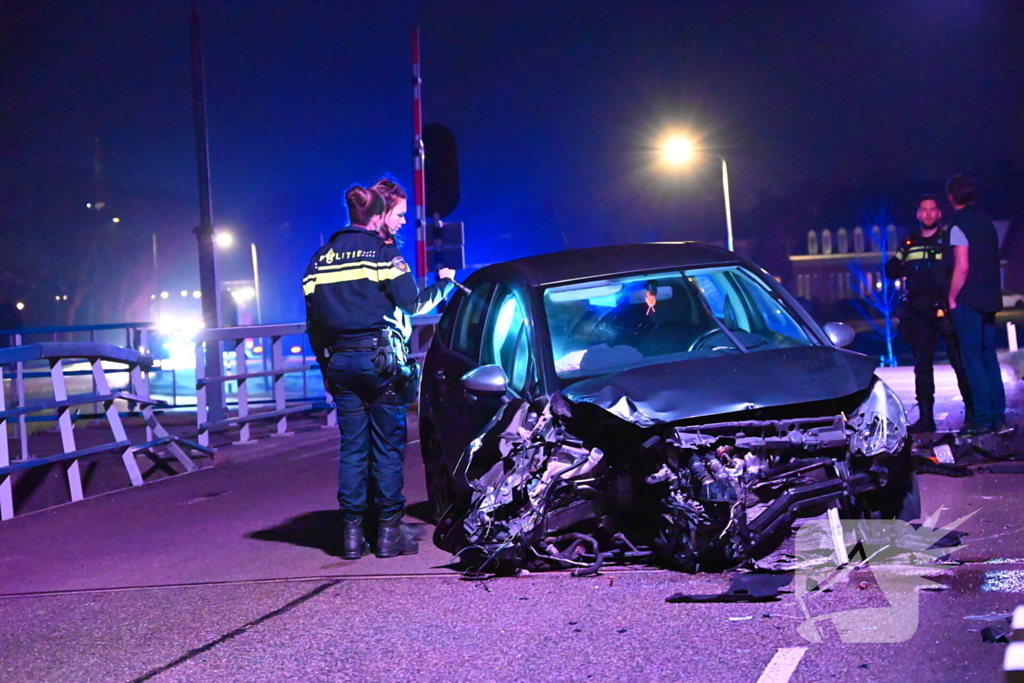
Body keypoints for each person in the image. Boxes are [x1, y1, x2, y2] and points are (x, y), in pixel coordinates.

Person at [304, 184, 456, 560]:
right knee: (387, 448)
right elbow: (414, 303)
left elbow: (313, 325)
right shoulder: (382, 253)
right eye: (398, 214)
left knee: (353, 449)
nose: (401, 221)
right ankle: (389, 532)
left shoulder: (318, 260)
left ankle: (352, 536)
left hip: (340, 362)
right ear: (376, 215)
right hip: (381, 362)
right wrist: (446, 283)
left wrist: (326, 366)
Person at [885, 195, 972, 433]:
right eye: (924, 210)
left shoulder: (946, 240)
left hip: (944, 308)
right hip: (918, 312)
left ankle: (972, 414)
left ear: (939, 213)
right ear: (918, 214)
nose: (928, 214)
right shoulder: (910, 242)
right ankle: (926, 418)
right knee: (922, 366)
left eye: (932, 209)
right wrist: (904, 266)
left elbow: (959, 267)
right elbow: (891, 269)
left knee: (959, 362)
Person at [945, 175, 1008, 436]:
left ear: (951, 197)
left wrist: (951, 297)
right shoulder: (986, 223)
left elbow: (962, 266)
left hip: (968, 300)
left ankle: (982, 419)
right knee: (989, 358)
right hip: (990, 299)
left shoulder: (958, 225)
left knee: (972, 361)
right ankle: (998, 418)